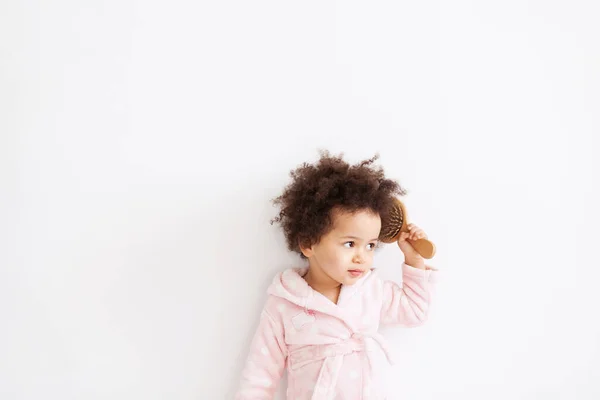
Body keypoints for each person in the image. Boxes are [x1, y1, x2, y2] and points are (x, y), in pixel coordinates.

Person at [235, 151, 438, 399]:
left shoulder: (371, 290)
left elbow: (414, 312)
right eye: (350, 244)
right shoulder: (284, 304)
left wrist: (413, 258)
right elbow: (260, 377)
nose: (362, 257)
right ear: (309, 243)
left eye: (371, 245)